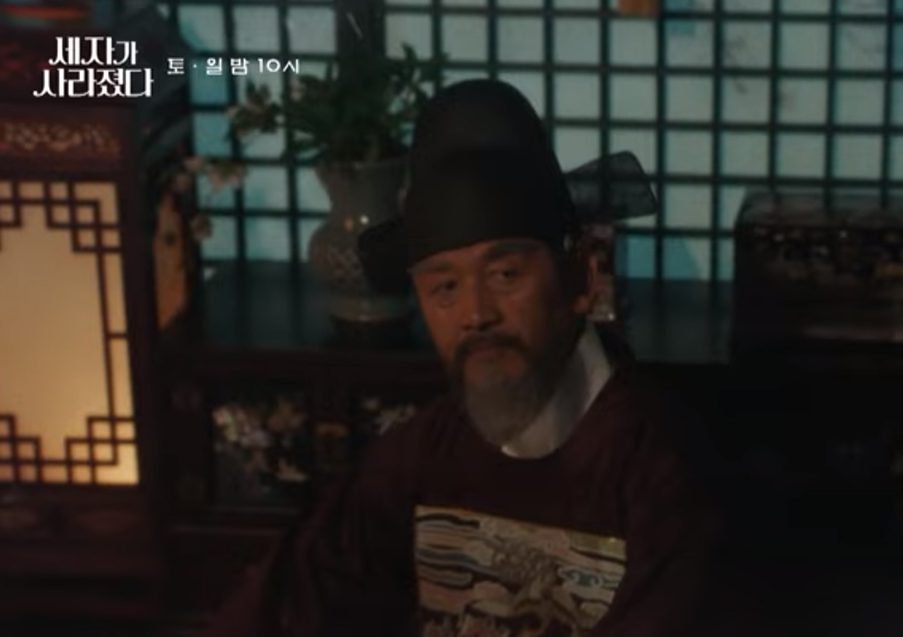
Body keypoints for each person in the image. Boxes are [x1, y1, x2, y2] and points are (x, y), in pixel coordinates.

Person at [204, 79, 727, 637]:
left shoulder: (667, 476)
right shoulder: (415, 458)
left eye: (505, 274)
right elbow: (287, 602)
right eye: (444, 288)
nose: (475, 314)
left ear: (581, 279)